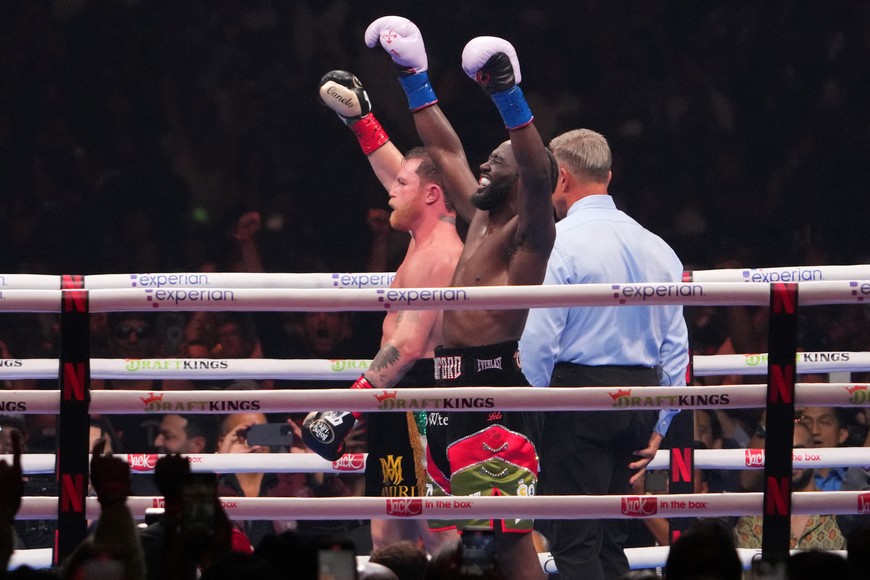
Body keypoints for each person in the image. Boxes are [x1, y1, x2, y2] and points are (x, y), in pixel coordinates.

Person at [364, 16, 556, 580]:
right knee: (469, 540)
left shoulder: (530, 236)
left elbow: (539, 173)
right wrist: (412, 77)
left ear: (520, 174)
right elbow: (444, 147)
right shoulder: (478, 219)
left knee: (508, 542)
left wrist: (508, 97)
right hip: (448, 387)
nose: (482, 164)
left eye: (497, 159)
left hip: (492, 388)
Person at [303, 65, 463, 555]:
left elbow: (410, 344)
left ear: (432, 194)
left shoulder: (438, 254)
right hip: (398, 399)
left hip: (422, 396)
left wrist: (346, 408)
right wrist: (362, 121)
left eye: (404, 185)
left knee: (436, 531)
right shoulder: (423, 238)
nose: (391, 189)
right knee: (388, 529)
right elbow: (398, 170)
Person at [517, 127, 690, 579]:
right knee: (613, 536)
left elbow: (539, 338)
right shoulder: (660, 248)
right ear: (607, 176)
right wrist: (662, 420)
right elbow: (676, 347)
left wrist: (528, 412)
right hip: (641, 400)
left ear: (562, 179)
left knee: (575, 540)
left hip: (579, 401)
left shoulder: (559, 242)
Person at [734, 421, 846, 550]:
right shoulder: (752, 518)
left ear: (814, 452)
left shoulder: (837, 513)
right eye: (784, 452)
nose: (792, 459)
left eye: (799, 452)